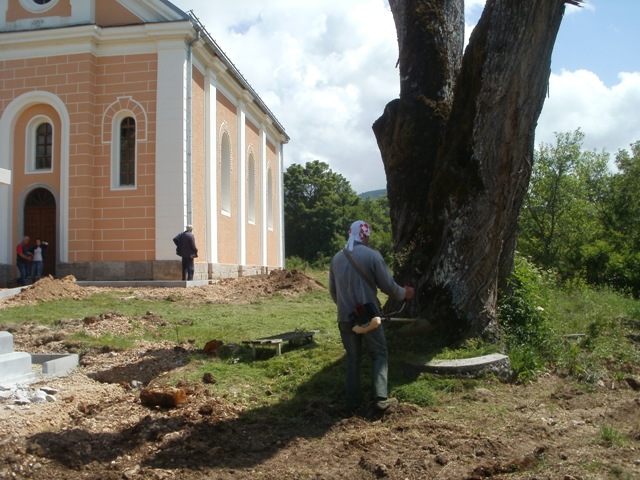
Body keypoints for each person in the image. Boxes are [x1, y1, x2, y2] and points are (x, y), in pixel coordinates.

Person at [329, 220, 415, 416]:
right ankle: (380, 399)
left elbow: (333, 291)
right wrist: (405, 294)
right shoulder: (372, 256)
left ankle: (352, 402)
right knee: (379, 354)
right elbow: (388, 287)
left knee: (353, 358)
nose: (368, 239)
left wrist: (346, 309)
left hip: (344, 317)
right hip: (369, 317)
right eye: (368, 236)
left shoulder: (336, 258)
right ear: (364, 235)